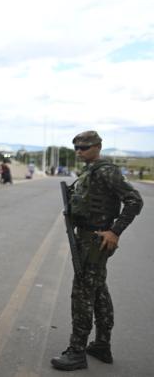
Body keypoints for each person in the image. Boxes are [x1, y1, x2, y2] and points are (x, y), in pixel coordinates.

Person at [51, 131, 143, 371]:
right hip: (87, 238)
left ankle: (77, 352)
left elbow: (134, 200)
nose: (80, 151)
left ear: (98, 147)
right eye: (77, 148)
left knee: (82, 294)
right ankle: (102, 345)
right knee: (99, 290)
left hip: (95, 240)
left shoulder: (106, 171)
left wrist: (115, 231)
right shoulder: (90, 171)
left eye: (85, 147)